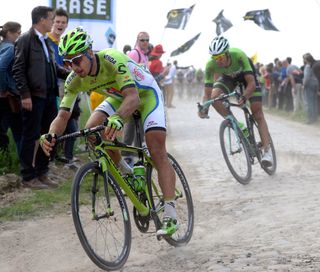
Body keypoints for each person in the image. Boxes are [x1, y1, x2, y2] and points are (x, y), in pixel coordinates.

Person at [39, 27, 178, 236]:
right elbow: (62, 116)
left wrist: (118, 118)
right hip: (119, 97)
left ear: (89, 52)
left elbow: (133, 98)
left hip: (146, 95)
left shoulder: (112, 59)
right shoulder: (73, 80)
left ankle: (170, 213)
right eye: (67, 63)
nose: (73, 67)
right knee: (91, 131)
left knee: (156, 149)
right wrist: (51, 134)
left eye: (76, 60)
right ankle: (125, 171)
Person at [12, 6, 68, 189]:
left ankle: (42, 173)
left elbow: (53, 68)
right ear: (42, 20)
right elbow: (18, 69)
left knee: (48, 135)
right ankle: (28, 177)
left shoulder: (46, 42)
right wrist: (25, 94)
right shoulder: (25, 40)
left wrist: (72, 74)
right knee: (30, 136)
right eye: (52, 18)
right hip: (34, 97)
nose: (53, 22)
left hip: (49, 96)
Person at [199, 36, 273, 166]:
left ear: (227, 53)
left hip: (246, 77)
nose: (218, 61)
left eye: (220, 57)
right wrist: (204, 108)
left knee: (257, 113)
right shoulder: (210, 65)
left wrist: (244, 97)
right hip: (228, 78)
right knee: (214, 97)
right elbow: (207, 93)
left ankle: (267, 151)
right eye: (215, 58)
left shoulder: (238, 55)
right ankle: (238, 125)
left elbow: (250, 83)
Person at [47, 7, 80, 168]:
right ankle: (54, 159)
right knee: (61, 121)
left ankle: (66, 156)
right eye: (57, 21)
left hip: (71, 83)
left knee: (72, 120)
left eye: (63, 22)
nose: (60, 24)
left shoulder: (66, 40)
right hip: (55, 87)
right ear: (52, 23)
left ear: (67, 24)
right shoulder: (47, 40)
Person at [122, 31, 150, 166]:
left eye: (147, 40)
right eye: (142, 40)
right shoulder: (134, 53)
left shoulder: (144, 55)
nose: (145, 42)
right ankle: (127, 155)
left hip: (142, 96)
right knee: (131, 125)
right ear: (137, 41)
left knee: (139, 125)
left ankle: (138, 155)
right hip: (134, 95)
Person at [0, 21, 22, 153]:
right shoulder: (11, 48)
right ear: (9, 33)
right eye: (18, 33)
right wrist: (3, 89)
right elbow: (1, 68)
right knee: (17, 130)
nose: (19, 36)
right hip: (8, 97)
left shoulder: (2, 46)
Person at [302, 53, 318, 124]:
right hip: (315, 84)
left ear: (306, 60)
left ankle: (310, 119)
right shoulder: (314, 65)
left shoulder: (307, 66)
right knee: (314, 102)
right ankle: (315, 118)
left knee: (309, 102)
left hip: (309, 85)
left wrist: (304, 85)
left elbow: (307, 77)